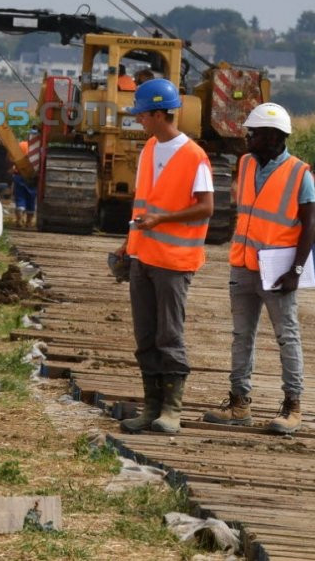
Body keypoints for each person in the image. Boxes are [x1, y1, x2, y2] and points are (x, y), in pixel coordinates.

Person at [203, 103, 315, 435]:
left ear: (273, 137)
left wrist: (296, 271)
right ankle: (239, 404)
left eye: (253, 133)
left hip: (278, 270)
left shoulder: (299, 173)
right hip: (243, 264)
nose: (247, 137)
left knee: (287, 336)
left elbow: (310, 225)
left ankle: (292, 406)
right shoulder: (246, 163)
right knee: (241, 337)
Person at [115, 78, 214, 435]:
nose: (139, 120)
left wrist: (162, 220)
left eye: (142, 115)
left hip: (174, 262)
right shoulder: (148, 150)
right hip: (143, 256)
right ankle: (151, 407)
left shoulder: (193, 156)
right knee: (145, 337)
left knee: (168, 336)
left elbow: (206, 207)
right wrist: (127, 244)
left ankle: (172, 410)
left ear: (159, 113)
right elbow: (143, 203)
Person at [12, 138, 37, 228]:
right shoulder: (37, 145)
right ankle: (29, 222)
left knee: (20, 197)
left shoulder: (21, 145)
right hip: (32, 176)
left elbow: (12, 157)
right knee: (31, 198)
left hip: (19, 174)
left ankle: (19, 219)